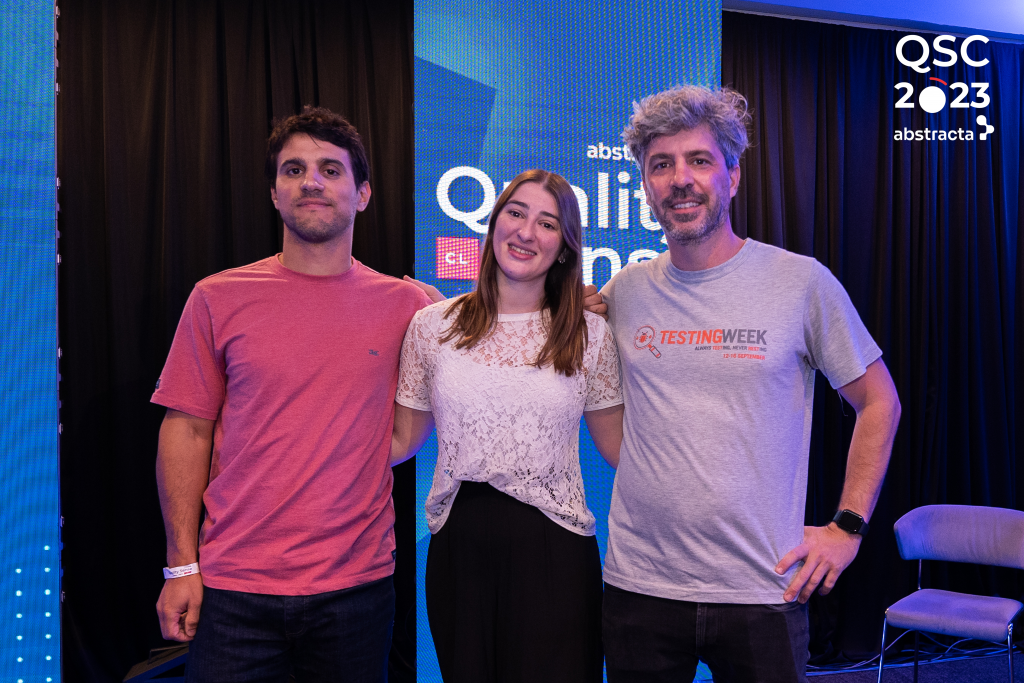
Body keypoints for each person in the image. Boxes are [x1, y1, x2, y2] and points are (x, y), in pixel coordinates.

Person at [584, 86, 902, 682]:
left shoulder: (801, 283)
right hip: (640, 588)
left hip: (763, 588)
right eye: (662, 165)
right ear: (647, 186)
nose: (680, 179)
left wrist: (847, 528)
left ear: (732, 175)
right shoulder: (624, 292)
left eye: (699, 161)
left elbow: (879, 401)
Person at [151, 106, 432, 682]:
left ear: (363, 195)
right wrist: (182, 566)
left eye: (331, 170)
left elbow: (508, 328)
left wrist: (572, 302)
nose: (311, 181)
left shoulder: (411, 307)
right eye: (294, 169)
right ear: (275, 193)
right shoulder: (217, 297)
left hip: (357, 590)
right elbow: (187, 429)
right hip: (233, 590)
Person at [390, 169, 625, 683]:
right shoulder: (433, 326)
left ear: (564, 247)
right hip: (459, 548)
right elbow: (401, 441)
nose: (525, 231)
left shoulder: (590, 334)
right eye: (516, 213)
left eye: (547, 223)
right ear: (493, 224)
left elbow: (622, 451)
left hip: (555, 550)